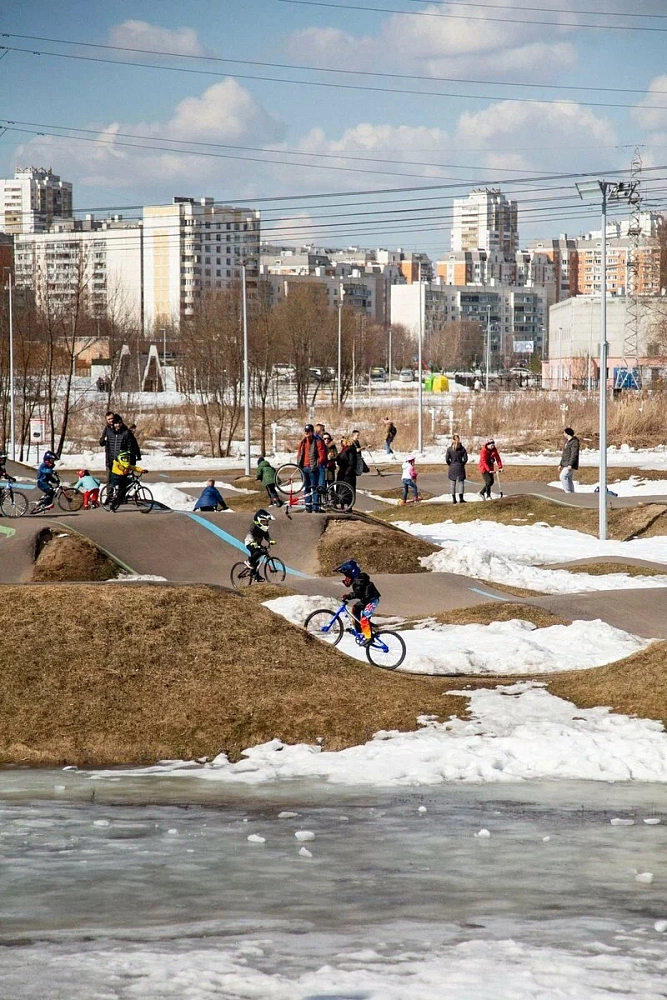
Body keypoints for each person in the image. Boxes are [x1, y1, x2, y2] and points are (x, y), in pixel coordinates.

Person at [334, 558, 381, 644]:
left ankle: (369, 637)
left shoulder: (359, 580)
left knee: (364, 619)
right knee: (355, 608)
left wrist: (348, 596)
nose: (346, 579)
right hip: (366, 600)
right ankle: (359, 629)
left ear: (351, 573)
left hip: (372, 601)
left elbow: (358, 593)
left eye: (347, 575)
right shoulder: (357, 579)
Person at [296, 424, 327, 513]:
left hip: (313, 468)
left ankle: (315, 507)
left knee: (315, 488)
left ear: (312, 432)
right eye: (305, 431)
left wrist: (318, 463)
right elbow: (299, 454)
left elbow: (322, 455)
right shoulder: (302, 442)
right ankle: (308, 507)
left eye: (308, 431)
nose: (307, 433)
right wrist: (298, 464)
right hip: (303, 468)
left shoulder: (317, 441)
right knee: (306, 488)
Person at [100, 413, 140, 480]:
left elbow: (132, 444)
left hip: (121, 461)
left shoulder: (124, 431)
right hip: (110, 461)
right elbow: (101, 443)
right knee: (110, 481)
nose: (111, 421)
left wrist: (135, 456)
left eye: (112, 418)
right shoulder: (107, 430)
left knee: (121, 481)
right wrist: (104, 439)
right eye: (109, 419)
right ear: (106, 420)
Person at [244, 508, 276, 579]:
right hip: (250, 543)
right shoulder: (253, 526)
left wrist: (270, 540)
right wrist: (254, 542)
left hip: (257, 544)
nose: (266, 523)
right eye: (264, 521)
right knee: (258, 552)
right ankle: (248, 561)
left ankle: (255, 575)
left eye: (266, 522)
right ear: (259, 521)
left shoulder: (264, 528)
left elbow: (266, 536)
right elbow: (251, 534)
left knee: (257, 561)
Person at [445, 434, 468, 504]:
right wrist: (462, 463)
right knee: (461, 483)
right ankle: (461, 498)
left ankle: (454, 499)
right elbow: (466, 458)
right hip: (460, 466)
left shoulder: (449, 449)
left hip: (452, 467)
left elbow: (447, 459)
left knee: (452, 484)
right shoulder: (462, 449)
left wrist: (450, 464)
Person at [559, 427, 580, 493]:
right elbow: (564, 454)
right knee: (569, 478)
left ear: (567, 433)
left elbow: (574, 454)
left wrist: (571, 464)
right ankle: (571, 493)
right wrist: (560, 464)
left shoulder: (574, 442)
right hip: (566, 463)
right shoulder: (567, 442)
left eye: (564, 433)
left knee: (563, 476)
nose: (563, 434)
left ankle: (567, 491)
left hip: (570, 464)